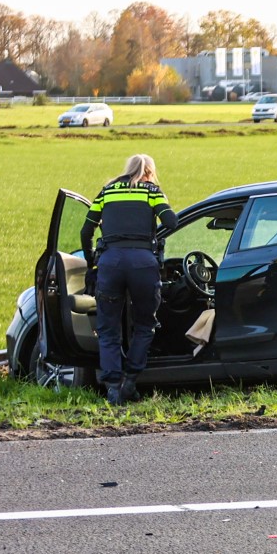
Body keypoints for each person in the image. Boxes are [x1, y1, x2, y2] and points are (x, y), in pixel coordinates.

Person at [80, 153, 176, 405]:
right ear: (149, 171)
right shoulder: (151, 191)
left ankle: (112, 388)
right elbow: (172, 221)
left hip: (110, 263)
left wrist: (92, 261)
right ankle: (130, 382)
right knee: (145, 324)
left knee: (108, 327)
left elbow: (85, 230)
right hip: (143, 263)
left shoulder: (107, 191)